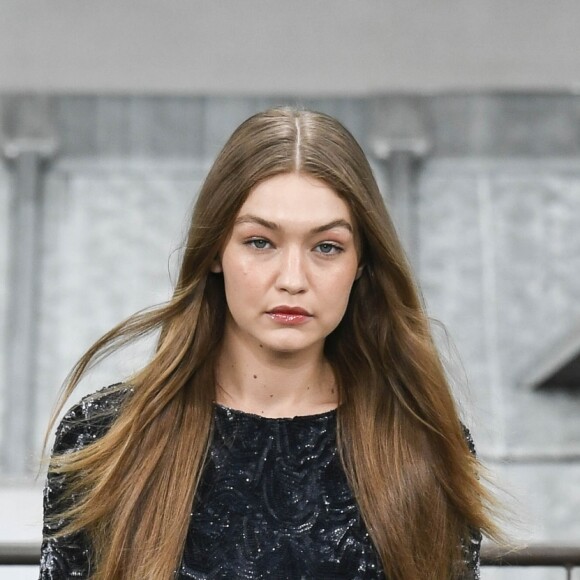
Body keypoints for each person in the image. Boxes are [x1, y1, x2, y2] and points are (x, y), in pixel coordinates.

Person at [39, 107, 498, 580]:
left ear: (361, 263)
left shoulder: (424, 446)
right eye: (260, 242)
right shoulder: (106, 438)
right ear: (216, 249)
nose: (293, 280)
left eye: (327, 247)